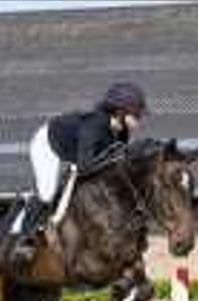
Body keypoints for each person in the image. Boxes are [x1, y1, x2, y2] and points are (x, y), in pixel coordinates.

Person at [10, 82, 148, 263]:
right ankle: (24, 236)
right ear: (120, 112)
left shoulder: (121, 132)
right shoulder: (95, 126)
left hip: (78, 155)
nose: (140, 118)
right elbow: (85, 168)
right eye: (136, 114)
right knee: (47, 192)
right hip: (48, 144)